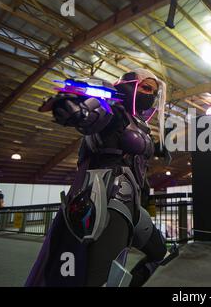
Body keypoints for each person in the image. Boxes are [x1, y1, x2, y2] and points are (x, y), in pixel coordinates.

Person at [26, 68, 178, 287]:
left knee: (160, 253)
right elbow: (90, 115)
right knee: (98, 280)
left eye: (153, 92)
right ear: (130, 86)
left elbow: (136, 148)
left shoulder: (140, 125)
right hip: (104, 205)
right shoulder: (114, 112)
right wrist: (75, 108)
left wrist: (157, 148)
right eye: (145, 87)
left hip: (133, 207)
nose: (150, 95)